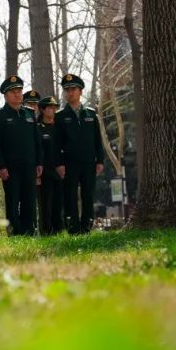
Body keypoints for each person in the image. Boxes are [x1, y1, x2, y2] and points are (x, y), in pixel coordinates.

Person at [55, 73, 105, 234]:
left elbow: (98, 139)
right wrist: (59, 163)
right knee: (70, 196)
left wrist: (100, 161)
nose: (70, 92)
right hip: (69, 163)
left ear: (80, 91)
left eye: (73, 89)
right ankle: (73, 228)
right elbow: (57, 143)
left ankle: (87, 226)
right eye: (67, 90)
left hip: (89, 162)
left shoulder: (90, 113)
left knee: (88, 195)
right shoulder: (60, 116)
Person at [0, 76, 42, 235]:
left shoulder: (29, 113)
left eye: (19, 91)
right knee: (13, 201)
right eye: (13, 92)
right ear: (5, 95)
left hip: (29, 165)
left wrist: (39, 162)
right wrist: (1, 166)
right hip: (10, 168)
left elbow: (37, 141)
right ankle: (15, 232)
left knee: (29, 200)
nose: (17, 95)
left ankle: (30, 230)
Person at [37, 96, 65, 234]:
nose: (53, 110)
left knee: (58, 204)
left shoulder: (59, 127)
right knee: (45, 204)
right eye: (50, 108)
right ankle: (46, 231)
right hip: (45, 172)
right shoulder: (37, 127)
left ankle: (59, 230)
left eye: (55, 108)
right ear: (42, 109)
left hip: (59, 171)